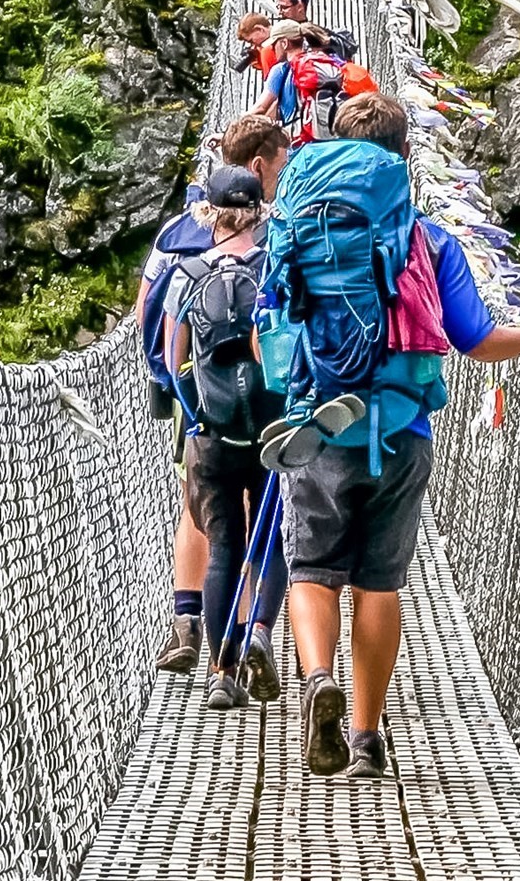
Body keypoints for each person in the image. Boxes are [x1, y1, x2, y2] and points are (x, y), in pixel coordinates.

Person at [282, 92, 520, 782]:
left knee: (311, 569)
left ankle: (320, 676)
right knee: (380, 582)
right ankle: (366, 738)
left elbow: (274, 320)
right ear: (407, 157)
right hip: (403, 430)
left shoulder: (302, 223)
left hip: (321, 425)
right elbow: (474, 338)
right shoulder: (429, 239)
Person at [140, 114, 294, 672]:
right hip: (273, 422)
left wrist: (180, 399)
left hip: (208, 420)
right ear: (258, 199)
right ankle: (259, 631)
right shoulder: (277, 256)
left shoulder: (179, 256)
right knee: (270, 532)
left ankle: (214, 658)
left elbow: (161, 338)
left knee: (216, 530)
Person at [166, 165, 288, 709]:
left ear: (207, 213)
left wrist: (195, 412)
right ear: (260, 213)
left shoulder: (186, 274)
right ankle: (260, 631)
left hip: (212, 436)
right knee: (271, 544)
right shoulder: (275, 269)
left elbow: (171, 362)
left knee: (223, 551)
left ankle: (221, 669)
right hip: (274, 432)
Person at [251, 24, 377, 140]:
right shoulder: (328, 64)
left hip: (300, 142)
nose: (272, 49)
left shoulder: (280, 70)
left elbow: (261, 108)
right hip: (336, 137)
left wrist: (237, 127)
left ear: (284, 43)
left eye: (274, 44)